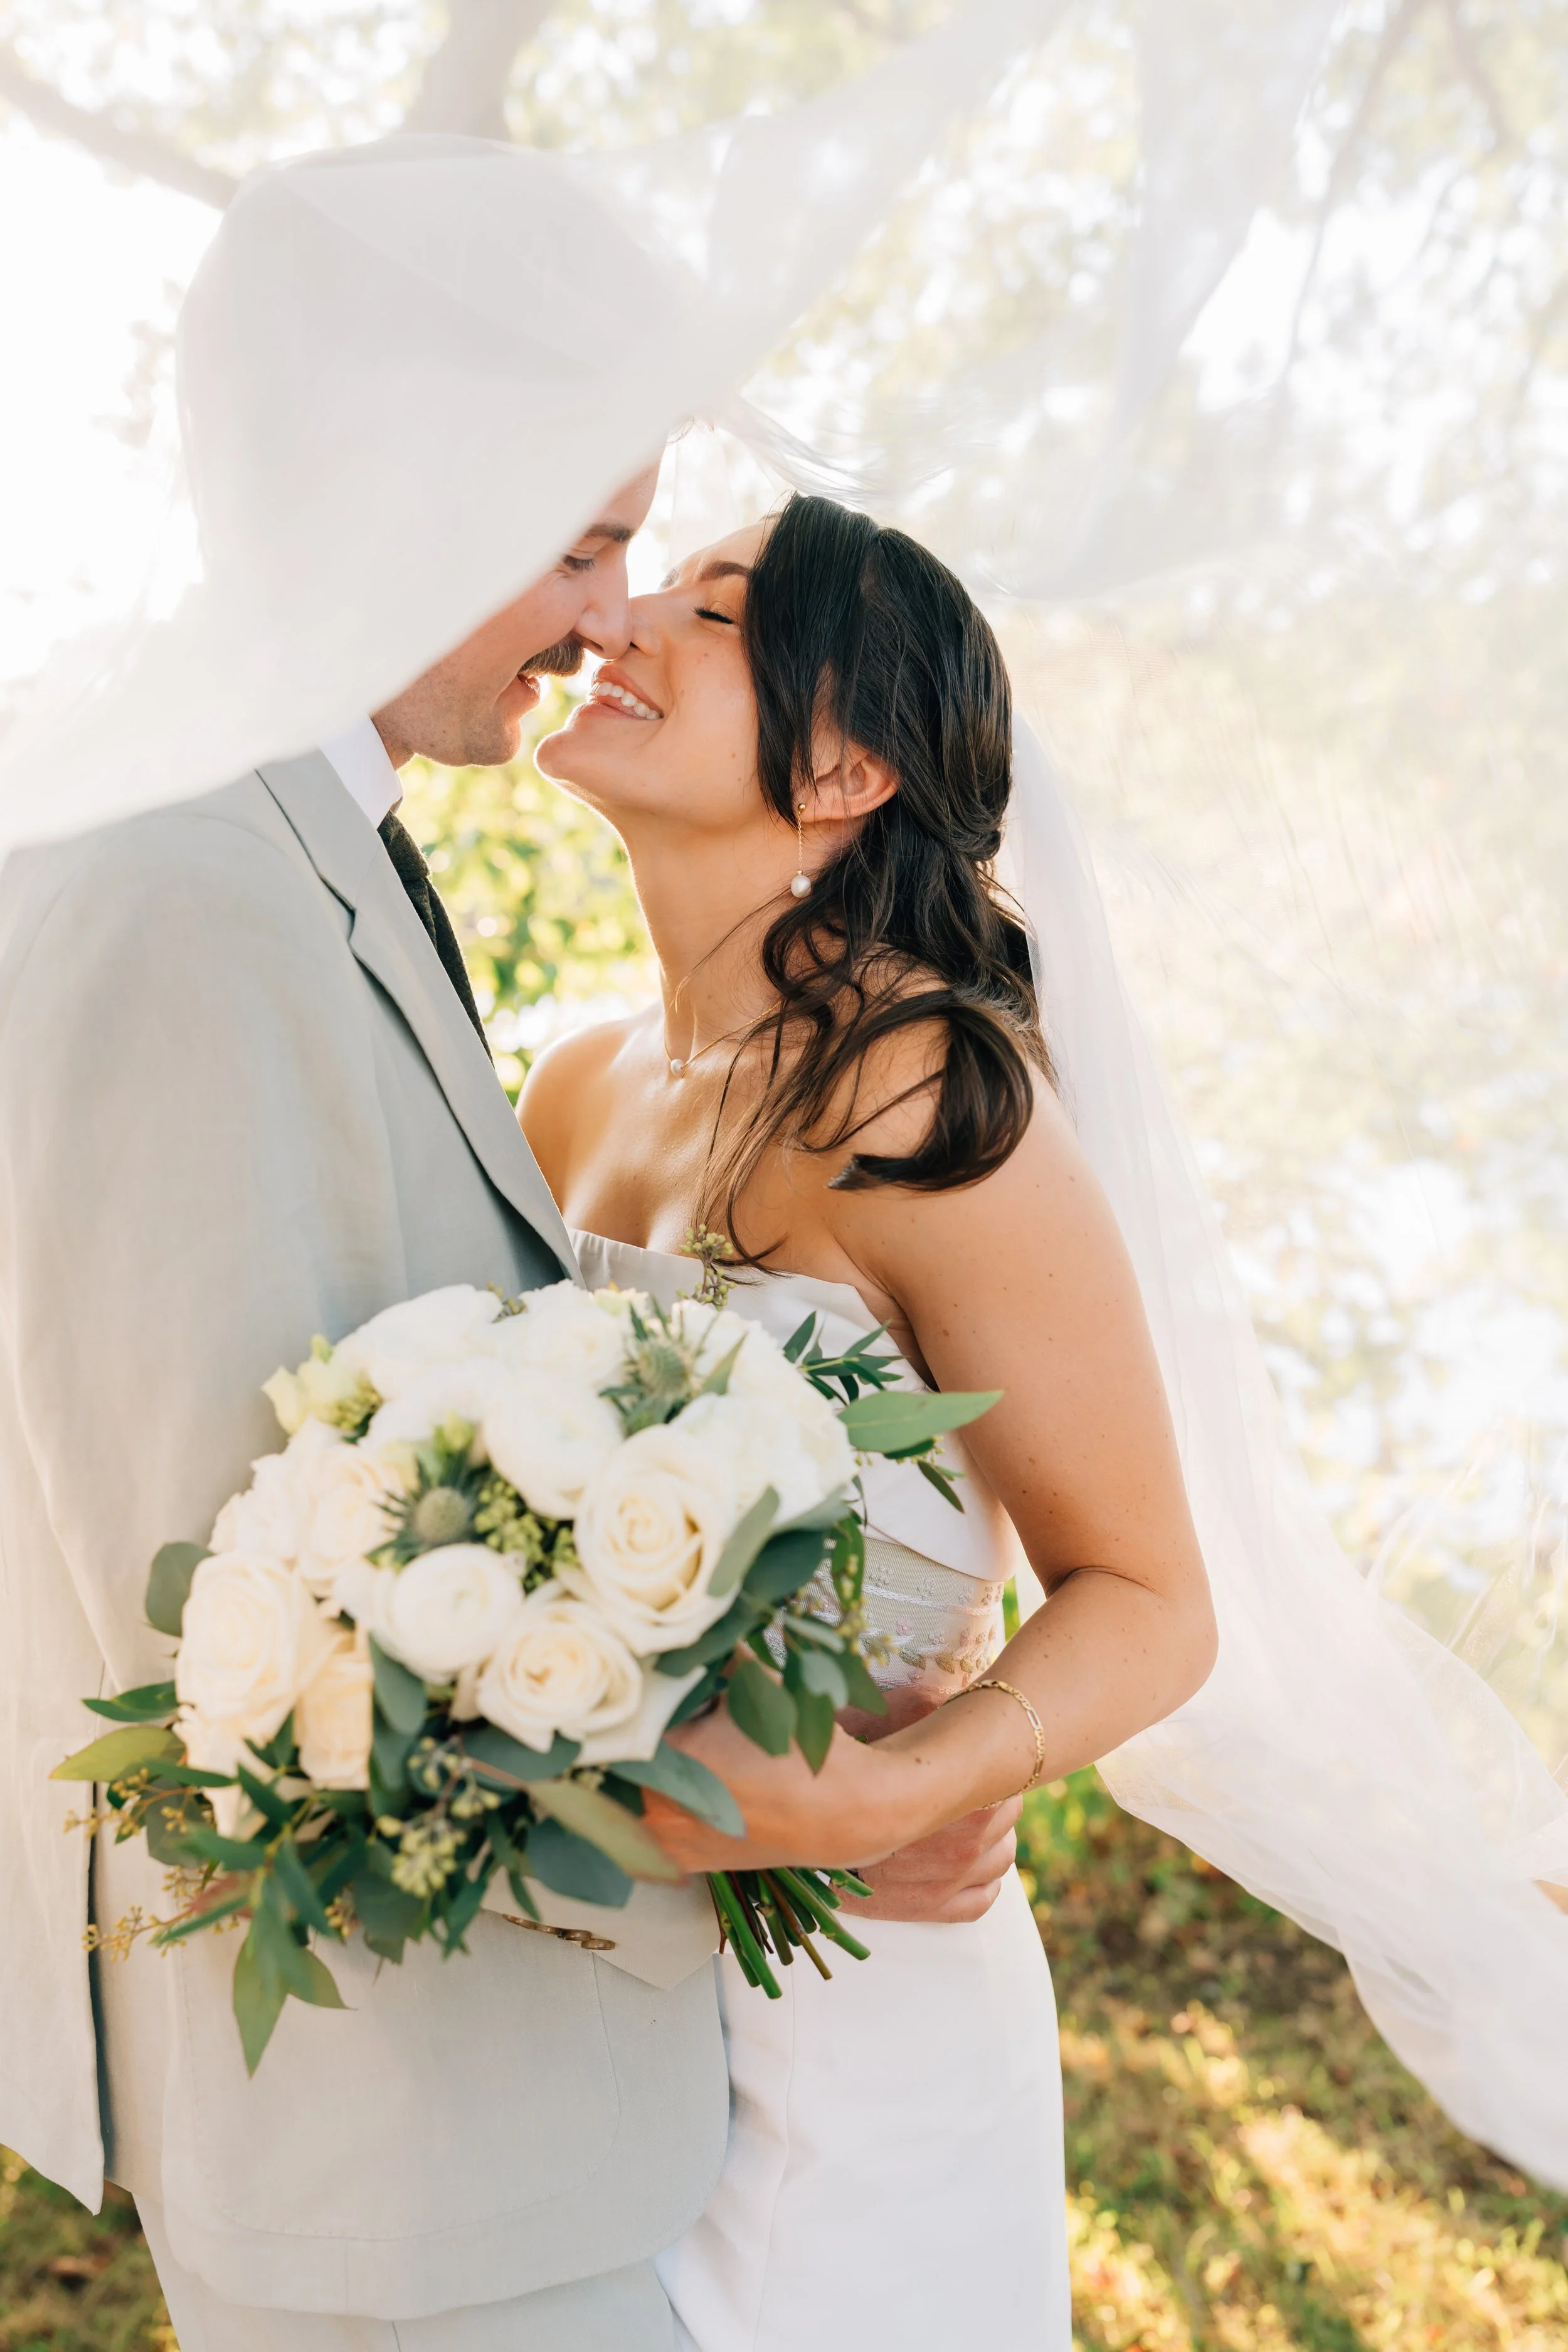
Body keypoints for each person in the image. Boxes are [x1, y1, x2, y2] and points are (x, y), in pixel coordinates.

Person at [0, 467, 751, 2352]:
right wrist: (806, 1798)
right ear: (394, 488)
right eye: (580, 544)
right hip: (399, 2149)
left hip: (492, 2117)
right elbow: (236, 1621)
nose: (609, 616)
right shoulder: (172, 890)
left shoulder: (290, 835)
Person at [521, 492, 1221, 2348]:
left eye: (711, 609)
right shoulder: (575, 1080)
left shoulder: (924, 1092)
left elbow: (1148, 1591)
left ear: (842, 763)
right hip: (581, 1964)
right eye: (641, 584)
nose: (624, 621)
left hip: (860, 2011)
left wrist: (913, 1786)